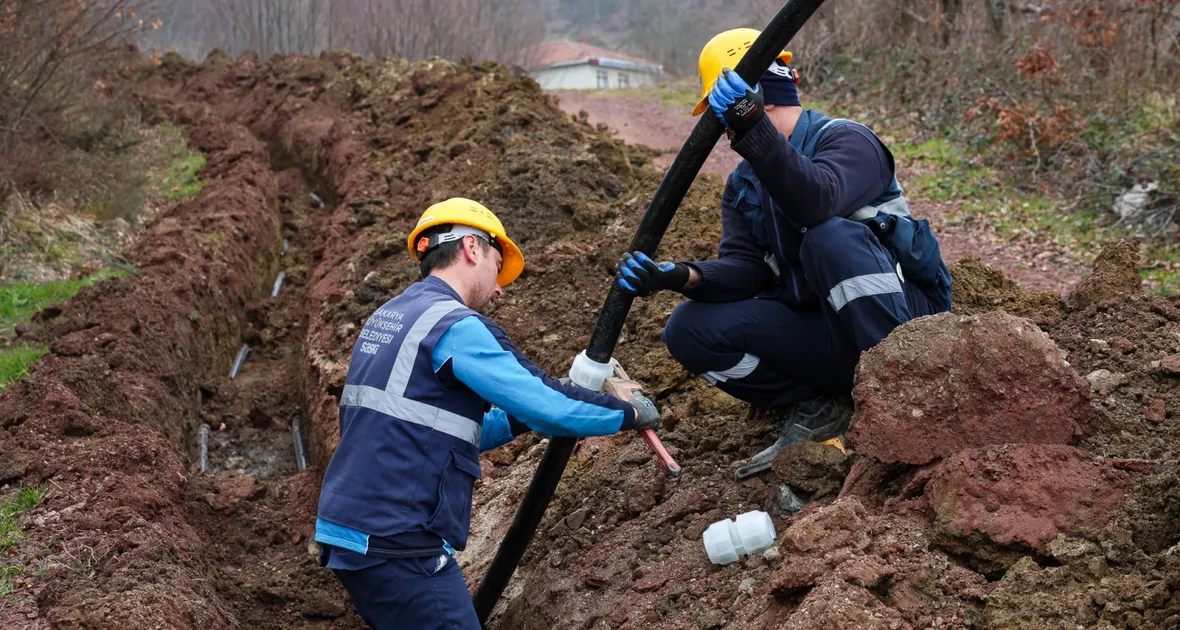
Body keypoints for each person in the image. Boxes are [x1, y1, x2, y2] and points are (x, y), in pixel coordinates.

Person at [615, 28, 952, 480]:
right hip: (829, 335)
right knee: (690, 329)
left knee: (829, 238)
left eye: (722, 117)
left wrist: (751, 125)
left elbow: (816, 200)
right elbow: (748, 270)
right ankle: (818, 409)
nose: (722, 131)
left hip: (908, 329)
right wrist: (680, 277)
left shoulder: (848, 140)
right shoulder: (744, 183)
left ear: (755, 97)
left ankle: (905, 398)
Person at [315, 197, 661, 629]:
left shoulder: (392, 315)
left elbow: (435, 426)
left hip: (353, 529)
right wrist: (628, 413)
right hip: (396, 538)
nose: (500, 288)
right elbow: (549, 406)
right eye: (498, 268)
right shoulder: (453, 325)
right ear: (472, 249)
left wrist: (516, 416)